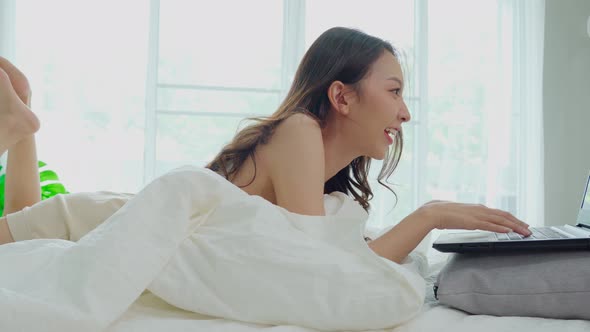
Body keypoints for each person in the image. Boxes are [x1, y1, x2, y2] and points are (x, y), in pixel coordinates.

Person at [0, 27, 532, 263]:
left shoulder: (319, 170)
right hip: (109, 222)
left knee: (24, 227)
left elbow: (333, 256)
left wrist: (428, 220)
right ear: (341, 96)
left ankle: (22, 126)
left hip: (109, 220)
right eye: (394, 92)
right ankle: (14, 126)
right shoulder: (300, 131)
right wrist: (430, 215)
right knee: (25, 230)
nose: (405, 113)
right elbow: (315, 262)